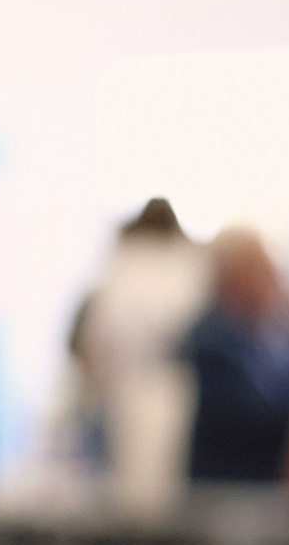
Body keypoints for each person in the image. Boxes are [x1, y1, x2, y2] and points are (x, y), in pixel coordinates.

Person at [78, 198, 209, 512]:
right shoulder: (188, 266)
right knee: (157, 484)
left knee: (132, 483)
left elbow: (96, 339)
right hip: (162, 384)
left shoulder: (122, 265)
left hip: (132, 384)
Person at [178, 228, 289, 485]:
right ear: (235, 276)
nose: (276, 279)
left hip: (262, 489)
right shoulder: (209, 341)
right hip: (227, 490)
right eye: (265, 269)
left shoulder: (269, 333)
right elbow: (259, 418)